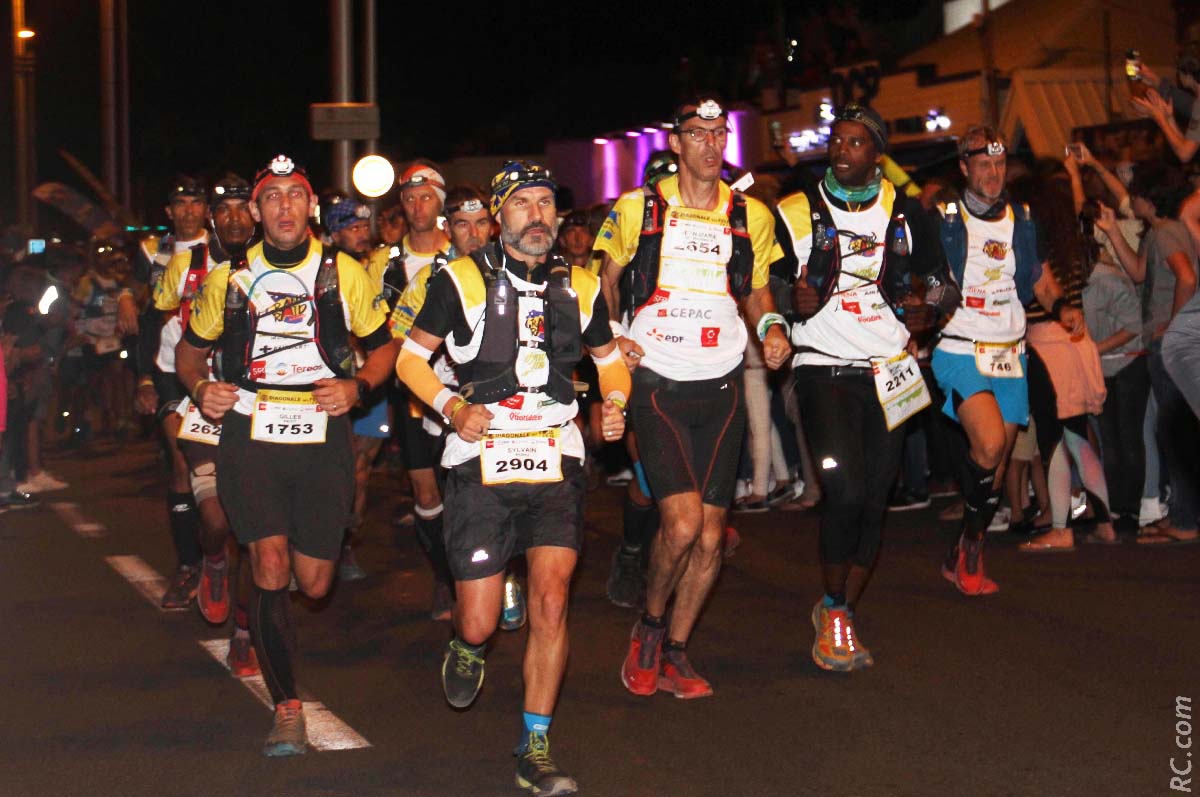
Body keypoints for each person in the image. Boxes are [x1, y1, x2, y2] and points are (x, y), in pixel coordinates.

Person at [395, 161, 628, 795]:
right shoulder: (460, 279)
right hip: (480, 460)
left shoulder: (579, 285)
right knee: (479, 621)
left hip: (556, 456)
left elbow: (610, 362)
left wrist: (615, 404)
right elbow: (411, 362)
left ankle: (536, 745)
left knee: (552, 601)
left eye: (547, 204)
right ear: (501, 217)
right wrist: (452, 408)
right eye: (523, 204)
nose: (538, 216)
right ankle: (467, 645)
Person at [176, 155, 395, 756]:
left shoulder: (342, 272)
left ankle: (254, 613)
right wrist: (202, 390)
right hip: (251, 432)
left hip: (322, 433)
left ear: (310, 207)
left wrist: (358, 388)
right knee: (269, 565)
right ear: (255, 212)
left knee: (316, 583)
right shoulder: (228, 279)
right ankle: (287, 706)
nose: (283, 208)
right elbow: (188, 357)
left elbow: (383, 350)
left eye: (293, 196)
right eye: (271, 198)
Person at [598, 97, 789, 698]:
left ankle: (677, 649)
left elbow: (756, 291)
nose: (710, 144)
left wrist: (771, 328)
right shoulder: (638, 207)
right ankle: (650, 626)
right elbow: (604, 281)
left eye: (718, 133)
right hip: (658, 380)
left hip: (724, 380)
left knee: (711, 535)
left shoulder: (750, 214)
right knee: (680, 525)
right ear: (676, 144)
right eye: (697, 134)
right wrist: (614, 340)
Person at [777, 103, 957, 669]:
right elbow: (767, 283)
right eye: (837, 139)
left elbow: (942, 285)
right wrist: (790, 299)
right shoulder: (796, 209)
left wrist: (927, 309)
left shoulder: (905, 213)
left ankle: (840, 610)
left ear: (876, 152)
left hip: (889, 371)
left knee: (875, 498)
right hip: (822, 367)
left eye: (856, 142)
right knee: (845, 491)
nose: (842, 149)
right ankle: (834, 609)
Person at [932, 126, 1083, 594]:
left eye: (999, 164)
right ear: (964, 168)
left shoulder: (1020, 216)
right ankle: (973, 554)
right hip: (960, 347)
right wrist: (931, 299)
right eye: (983, 165)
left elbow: (1036, 277)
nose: (994, 173)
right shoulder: (945, 218)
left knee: (995, 470)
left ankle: (963, 546)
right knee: (992, 444)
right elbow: (922, 277)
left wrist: (1061, 308)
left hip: (1011, 353)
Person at [389, 185, 527, 629]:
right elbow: (400, 344)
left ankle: (500, 575)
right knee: (450, 502)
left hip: (507, 410)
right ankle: (455, 577)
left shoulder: (524, 269)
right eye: (462, 225)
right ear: (449, 230)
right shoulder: (432, 279)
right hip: (442, 409)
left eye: (481, 223)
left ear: (495, 224)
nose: (473, 234)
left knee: (508, 499)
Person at [160, 174, 261, 674]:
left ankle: (245, 633)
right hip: (207, 408)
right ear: (211, 218)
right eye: (226, 211)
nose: (236, 218)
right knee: (218, 521)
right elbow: (171, 341)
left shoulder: (284, 262)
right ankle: (211, 561)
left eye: (246, 208)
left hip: (267, 414)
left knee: (257, 537)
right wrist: (179, 390)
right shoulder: (188, 265)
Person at [134, 176, 210, 609]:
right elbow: (143, 310)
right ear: (169, 211)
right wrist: (144, 377)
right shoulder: (154, 251)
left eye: (194, 203)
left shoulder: (223, 249)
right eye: (179, 203)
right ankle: (188, 566)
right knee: (181, 462)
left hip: (216, 372)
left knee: (222, 471)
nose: (187, 211)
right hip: (167, 370)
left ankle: (225, 554)